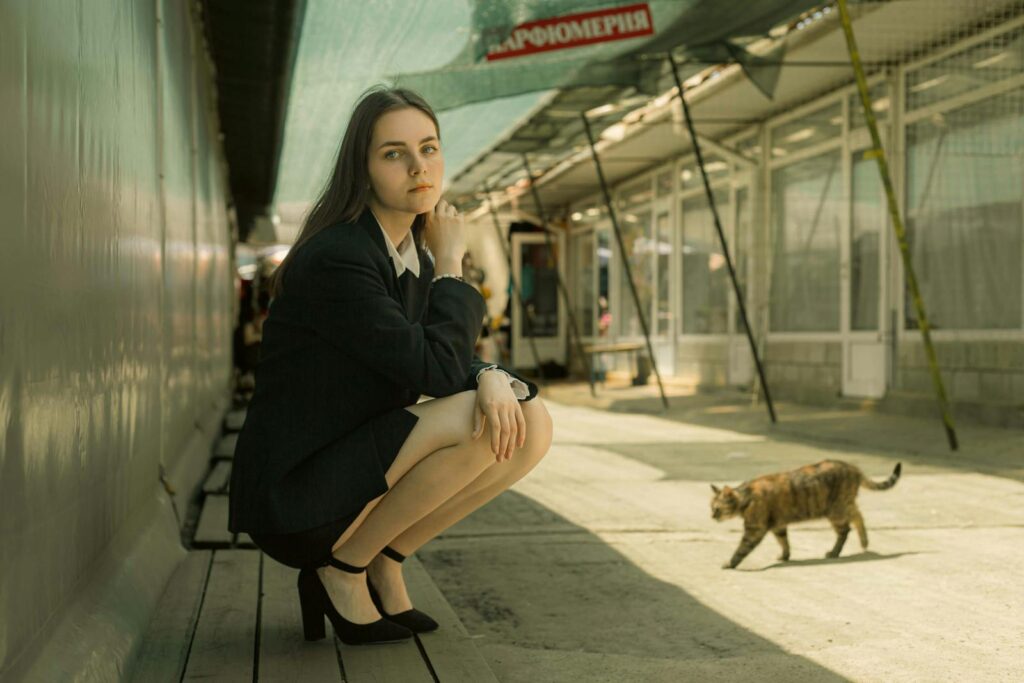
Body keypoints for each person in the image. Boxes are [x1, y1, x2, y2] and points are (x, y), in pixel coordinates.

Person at [227, 85, 553, 646]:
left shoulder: (400, 254)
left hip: (350, 470)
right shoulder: (340, 257)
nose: (418, 167)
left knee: (532, 425)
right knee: (479, 421)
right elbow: (430, 368)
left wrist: (492, 376)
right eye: (393, 153)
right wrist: (452, 264)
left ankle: (383, 559)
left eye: (428, 148)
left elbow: (438, 359)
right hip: (299, 496)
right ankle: (341, 568)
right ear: (364, 168)